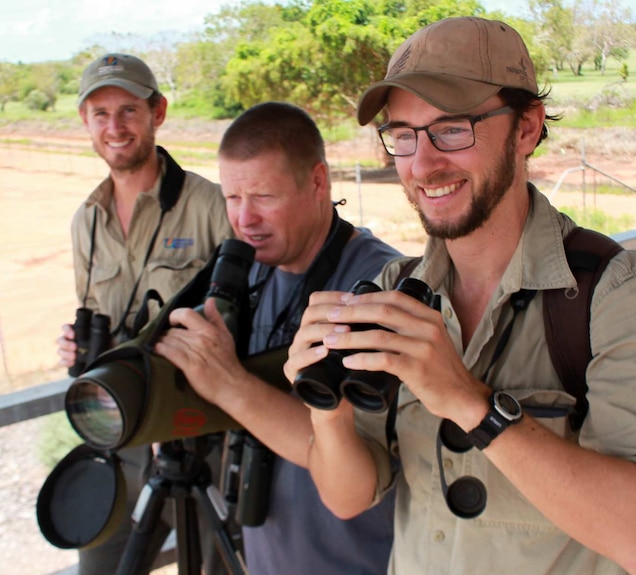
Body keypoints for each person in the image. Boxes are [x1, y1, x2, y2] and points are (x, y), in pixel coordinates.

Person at [284, 16, 636, 575]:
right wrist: (329, 412)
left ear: (527, 127)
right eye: (404, 136)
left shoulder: (614, 295)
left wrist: (469, 401)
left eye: (453, 128)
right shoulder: (397, 292)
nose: (423, 164)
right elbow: (349, 496)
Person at [153, 101, 400, 575]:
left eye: (263, 196)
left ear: (317, 182)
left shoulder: (376, 285)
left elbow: (347, 445)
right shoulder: (251, 276)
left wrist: (228, 383)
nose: (244, 220)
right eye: (232, 198)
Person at [55, 53, 234, 575]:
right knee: (103, 566)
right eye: (101, 113)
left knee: (213, 564)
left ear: (158, 111)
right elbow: (94, 314)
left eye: (129, 110)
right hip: (116, 429)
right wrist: (75, 345)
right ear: (85, 121)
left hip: (199, 433)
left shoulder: (211, 206)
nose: (115, 127)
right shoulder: (86, 221)